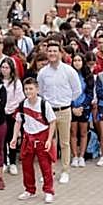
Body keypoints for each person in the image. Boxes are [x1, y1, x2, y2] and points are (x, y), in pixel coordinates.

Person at [35, 41, 83, 182]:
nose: (52, 54)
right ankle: (49, 171)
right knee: (49, 142)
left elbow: (77, 90)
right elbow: (41, 91)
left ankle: (65, 171)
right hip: (49, 112)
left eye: (55, 51)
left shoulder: (69, 71)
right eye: (49, 51)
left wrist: (67, 101)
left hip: (64, 110)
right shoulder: (43, 72)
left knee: (64, 142)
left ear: (60, 53)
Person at [9, 75, 58, 202]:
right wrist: (14, 137)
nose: (28, 92)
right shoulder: (22, 105)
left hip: (42, 137)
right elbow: (18, 122)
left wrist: (48, 140)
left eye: (31, 89)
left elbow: (52, 122)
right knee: (26, 165)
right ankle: (29, 189)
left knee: (45, 166)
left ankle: (48, 190)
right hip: (28, 137)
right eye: (26, 89)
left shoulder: (44, 104)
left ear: (37, 90)